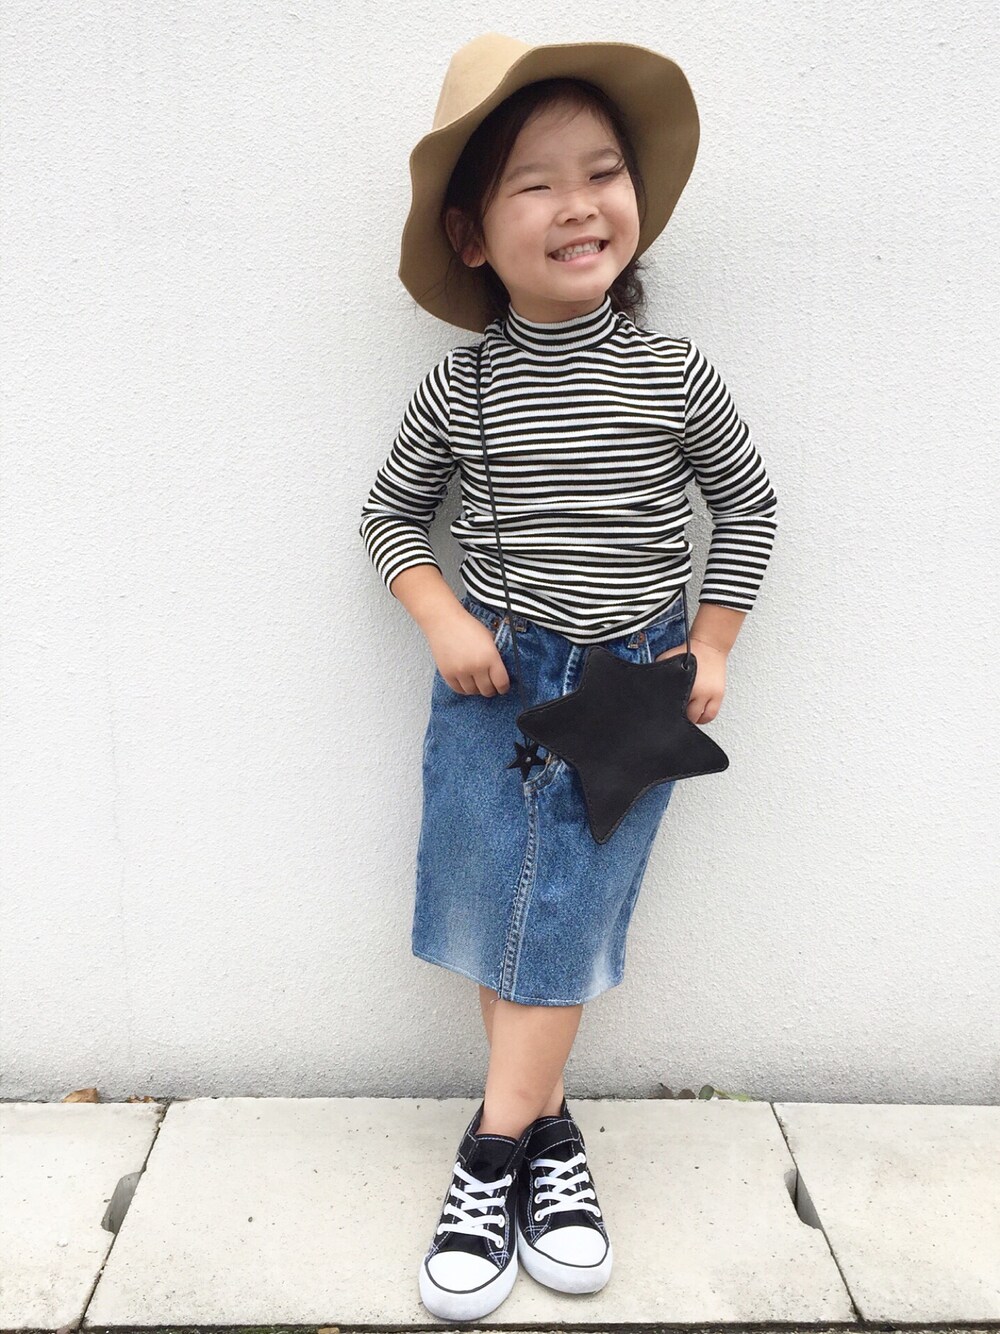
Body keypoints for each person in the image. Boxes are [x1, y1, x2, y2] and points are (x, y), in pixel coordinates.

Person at [358, 32, 779, 1322]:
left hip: (627, 691)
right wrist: (440, 615)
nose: (578, 202)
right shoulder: (464, 385)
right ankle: (548, 1136)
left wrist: (712, 641)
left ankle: (492, 1154)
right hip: (494, 690)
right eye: (534, 182)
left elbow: (748, 511)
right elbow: (390, 516)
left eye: (601, 173)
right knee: (498, 903)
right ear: (474, 235)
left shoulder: (676, 374)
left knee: (565, 920)